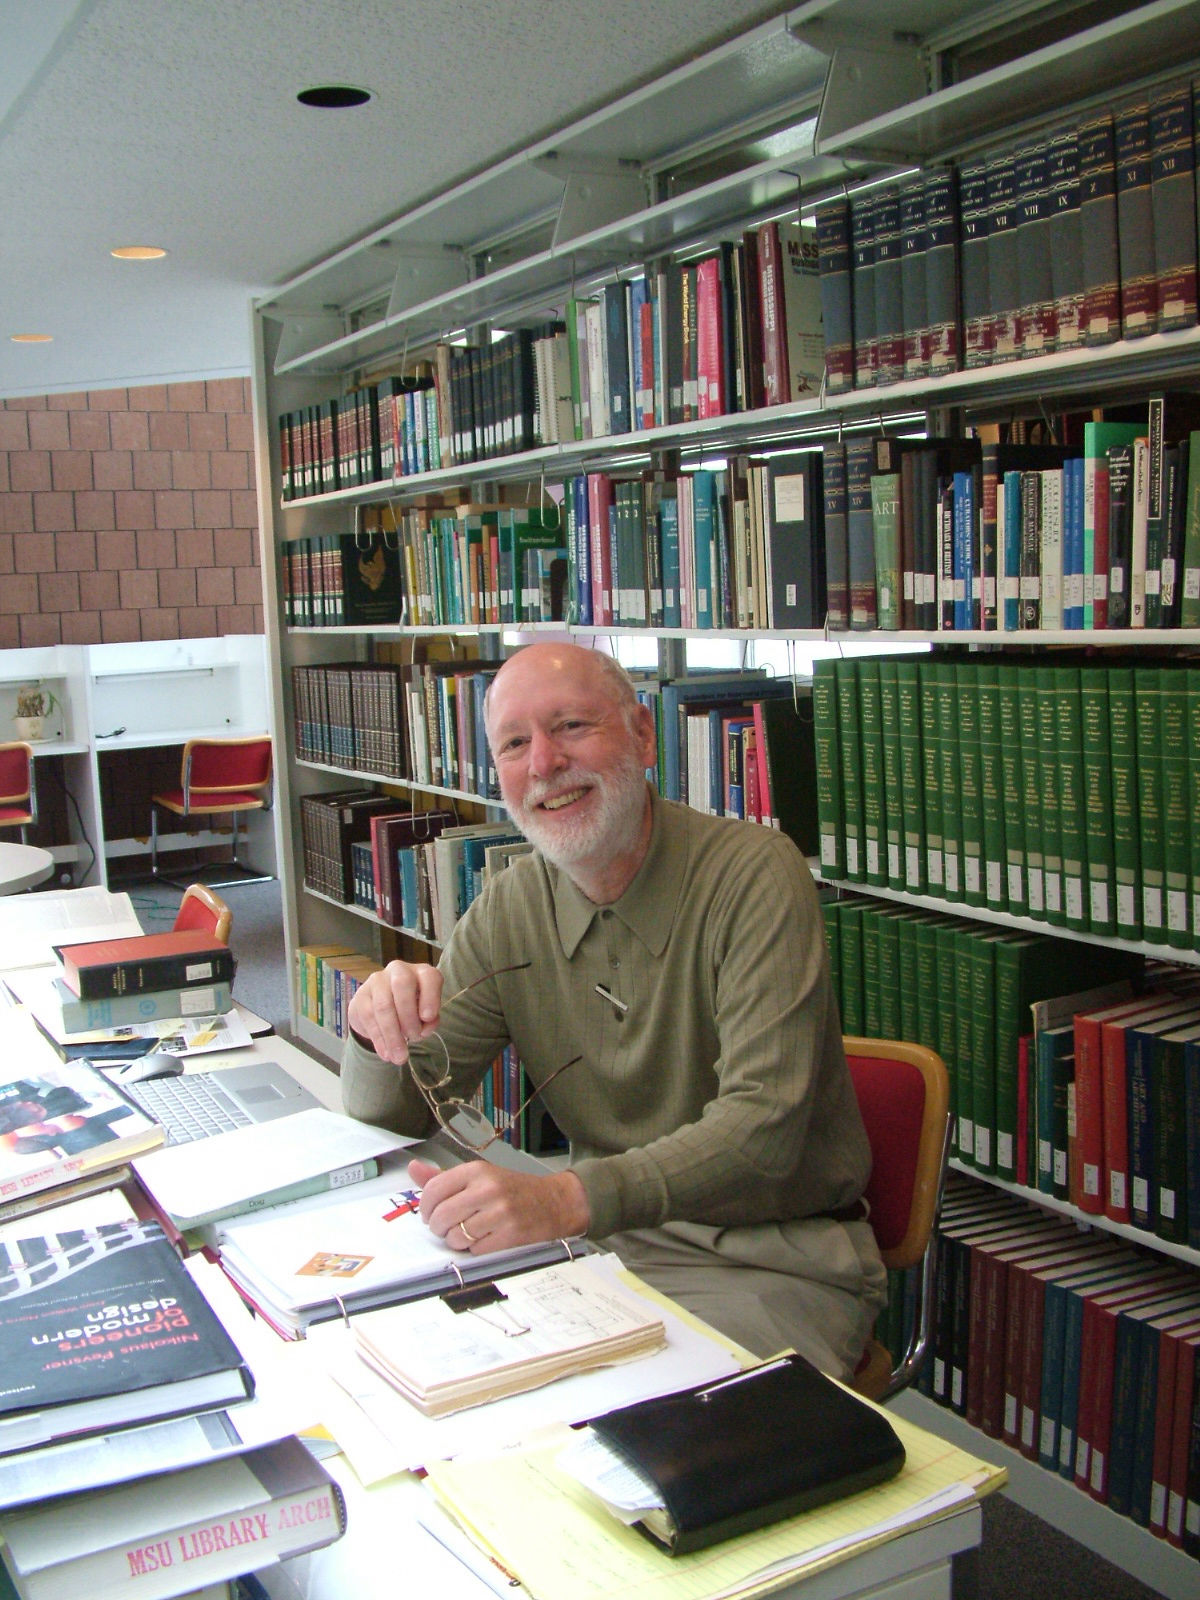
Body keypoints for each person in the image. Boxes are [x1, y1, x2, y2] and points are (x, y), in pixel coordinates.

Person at [342, 642, 886, 1378]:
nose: (543, 764)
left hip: (768, 1261)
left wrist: (565, 1199)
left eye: (570, 726)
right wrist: (374, 1026)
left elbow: (762, 1132)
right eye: (513, 743)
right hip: (596, 1252)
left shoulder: (756, 874)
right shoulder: (512, 903)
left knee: (660, 1446)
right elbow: (403, 1113)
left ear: (642, 734)